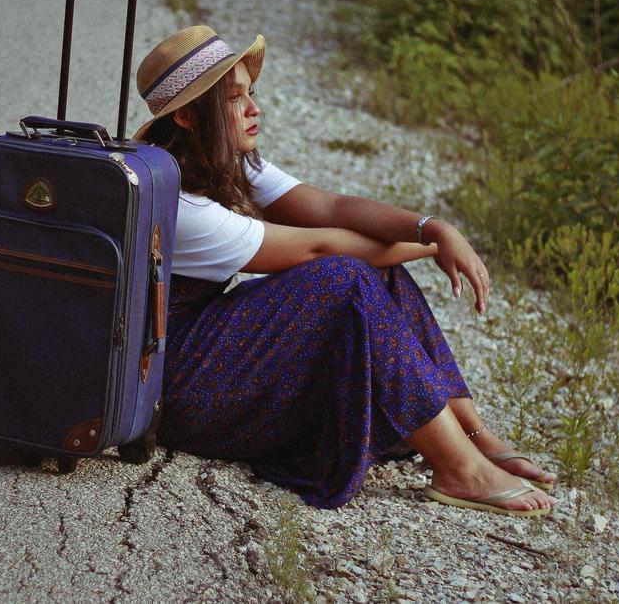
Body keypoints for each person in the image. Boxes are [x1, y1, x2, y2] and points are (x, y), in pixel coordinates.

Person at [132, 25, 558, 515]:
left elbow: (331, 208)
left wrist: (431, 226)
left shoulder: (224, 160)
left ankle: (473, 434)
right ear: (187, 116)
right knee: (346, 278)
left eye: (251, 94)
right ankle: (460, 469)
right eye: (234, 99)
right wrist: (432, 245)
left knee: (380, 274)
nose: (254, 109)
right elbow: (320, 248)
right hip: (181, 388)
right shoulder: (179, 202)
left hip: (205, 348)